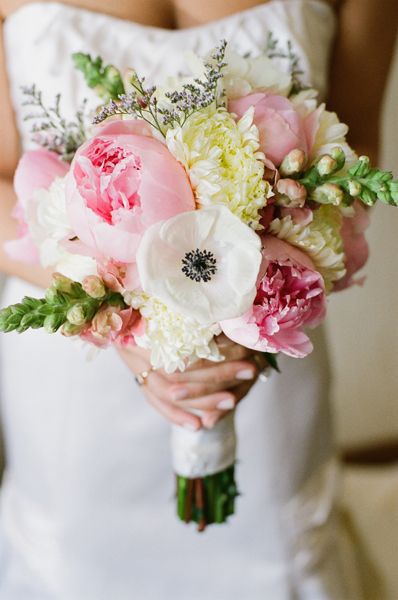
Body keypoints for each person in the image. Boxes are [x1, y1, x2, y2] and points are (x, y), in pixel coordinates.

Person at [0, 1, 396, 598]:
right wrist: (122, 314)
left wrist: (252, 284)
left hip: (267, 349)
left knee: (280, 553)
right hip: (76, 382)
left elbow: (357, 142)